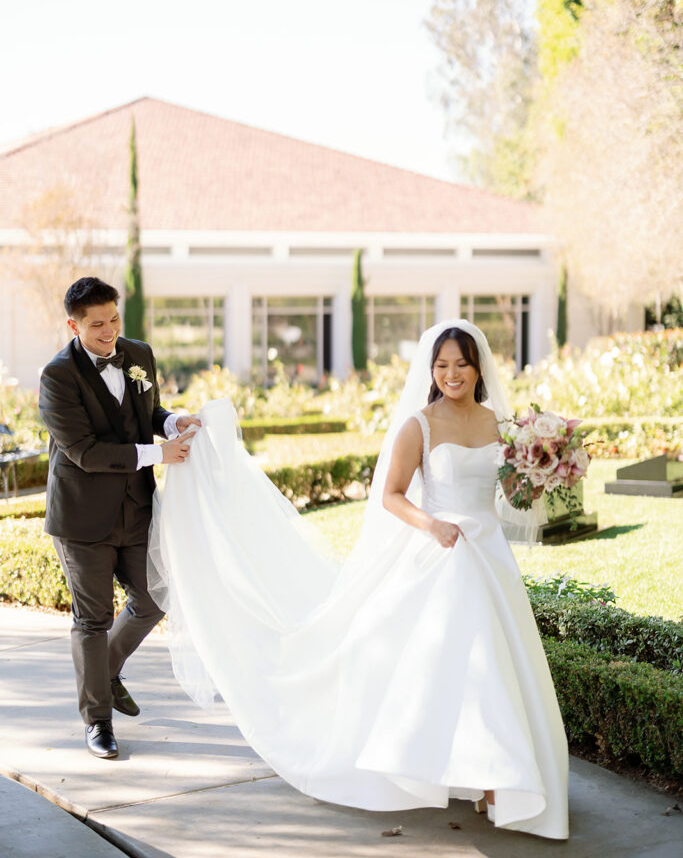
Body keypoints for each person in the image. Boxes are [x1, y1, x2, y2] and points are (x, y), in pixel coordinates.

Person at [150, 319, 569, 839]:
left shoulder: (501, 424)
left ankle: (495, 777)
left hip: (490, 556)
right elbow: (391, 494)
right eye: (442, 365)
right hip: (442, 554)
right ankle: (480, 776)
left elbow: (509, 495)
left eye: (461, 364)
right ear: (431, 370)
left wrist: (545, 469)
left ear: (478, 366)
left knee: (497, 666)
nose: (451, 374)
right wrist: (432, 525)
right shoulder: (420, 425)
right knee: (465, 665)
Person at [39, 276, 201, 760]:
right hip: (82, 518)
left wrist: (172, 422)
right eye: (96, 325)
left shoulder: (138, 354)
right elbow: (84, 452)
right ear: (73, 325)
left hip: (137, 509)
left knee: (153, 598)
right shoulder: (57, 377)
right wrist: (158, 452)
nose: (109, 331)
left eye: (113, 319)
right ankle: (98, 722)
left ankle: (103, 675)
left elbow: (146, 412)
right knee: (93, 619)